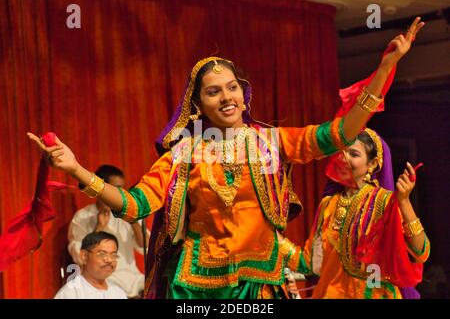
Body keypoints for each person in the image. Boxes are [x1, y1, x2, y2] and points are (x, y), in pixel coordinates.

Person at [29, 18, 425, 299]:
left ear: (243, 93)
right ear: (197, 105)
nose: (227, 97)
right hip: (198, 285)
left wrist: (385, 67)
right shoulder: (185, 154)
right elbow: (134, 206)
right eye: (214, 92)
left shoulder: (271, 142)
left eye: (232, 87)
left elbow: (338, 133)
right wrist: (76, 169)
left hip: (262, 280)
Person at [278, 128, 430, 298]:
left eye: (354, 154)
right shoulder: (328, 205)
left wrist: (404, 201)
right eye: (341, 153)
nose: (344, 159)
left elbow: (420, 252)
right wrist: (276, 241)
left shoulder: (384, 203)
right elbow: (312, 264)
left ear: (372, 164)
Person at [68, 165, 145, 298]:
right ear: (102, 188)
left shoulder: (127, 214)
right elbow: (79, 256)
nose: (122, 194)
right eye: (117, 189)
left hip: (133, 280)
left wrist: (133, 221)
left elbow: (145, 246)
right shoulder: (82, 217)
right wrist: (99, 228)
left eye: (123, 189)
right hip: (104, 280)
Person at [55, 231, 127, 299]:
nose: (109, 260)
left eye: (113, 255)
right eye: (102, 254)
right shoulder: (71, 293)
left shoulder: (118, 293)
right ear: (84, 256)